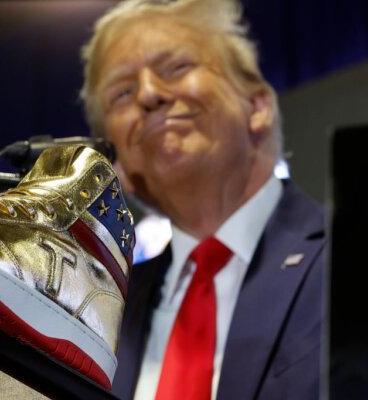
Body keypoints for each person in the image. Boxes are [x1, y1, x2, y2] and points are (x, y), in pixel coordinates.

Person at [79, 0, 325, 399]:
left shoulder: (349, 256)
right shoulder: (100, 319)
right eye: (122, 93)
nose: (149, 94)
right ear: (115, 162)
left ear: (257, 106)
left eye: (176, 67)